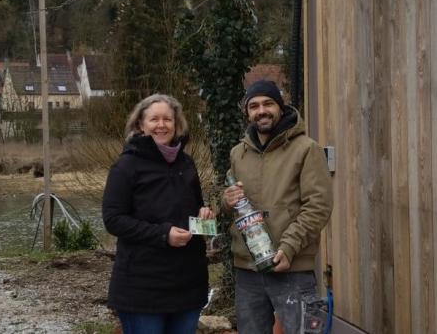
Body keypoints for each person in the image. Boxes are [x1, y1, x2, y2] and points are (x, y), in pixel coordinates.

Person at [223, 80, 332, 334]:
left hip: (292, 269)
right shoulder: (238, 153)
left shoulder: (307, 149)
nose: (261, 110)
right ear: (247, 113)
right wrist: (225, 200)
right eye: (254, 106)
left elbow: (318, 206)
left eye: (268, 103)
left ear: (280, 108)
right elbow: (230, 201)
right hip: (248, 270)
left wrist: (289, 247)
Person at [103, 94, 214, 334]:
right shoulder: (126, 166)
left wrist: (204, 217)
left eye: (168, 119)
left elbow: (195, 210)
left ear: (177, 124)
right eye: (154, 119)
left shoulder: (186, 163)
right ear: (140, 125)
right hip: (142, 287)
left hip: (188, 283)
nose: (161, 125)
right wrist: (163, 234)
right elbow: (113, 219)